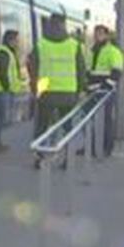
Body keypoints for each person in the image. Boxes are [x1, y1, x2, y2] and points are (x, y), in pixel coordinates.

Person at [30, 13, 85, 167]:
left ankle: (39, 158)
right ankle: (67, 159)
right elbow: (81, 70)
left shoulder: (41, 44)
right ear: (64, 24)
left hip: (46, 93)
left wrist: (35, 89)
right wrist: (80, 90)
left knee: (42, 126)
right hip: (68, 93)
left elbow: (33, 68)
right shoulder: (74, 45)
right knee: (68, 127)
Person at [87, 24, 124, 155]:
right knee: (91, 120)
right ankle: (90, 147)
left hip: (105, 91)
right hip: (92, 91)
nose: (97, 36)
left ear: (107, 35)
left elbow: (117, 72)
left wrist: (106, 86)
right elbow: (89, 70)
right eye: (96, 33)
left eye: (100, 33)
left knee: (106, 119)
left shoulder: (113, 51)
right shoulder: (92, 50)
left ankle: (107, 147)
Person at [0, 29, 23, 153]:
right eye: (16, 40)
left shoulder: (8, 52)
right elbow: (2, 72)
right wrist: (8, 87)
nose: (18, 43)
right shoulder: (3, 52)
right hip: (1, 90)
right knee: (0, 118)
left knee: (0, 117)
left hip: (2, 90)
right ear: (10, 40)